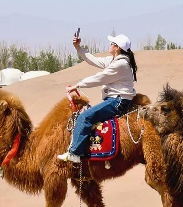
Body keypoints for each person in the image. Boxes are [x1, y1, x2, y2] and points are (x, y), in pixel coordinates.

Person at [57, 34, 138, 164]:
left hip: (118, 101)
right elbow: (92, 60)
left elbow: (101, 77)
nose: (110, 45)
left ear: (117, 47)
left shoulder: (120, 64)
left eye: (112, 43)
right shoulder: (115, 60)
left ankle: (75, 153)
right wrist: (78, 47)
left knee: (85, 117)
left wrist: (78, 85)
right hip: (114, 100)